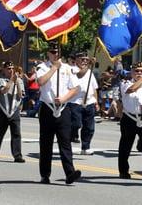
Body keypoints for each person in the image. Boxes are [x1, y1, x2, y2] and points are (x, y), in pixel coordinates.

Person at [36, 40, 82, 184]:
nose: (55, 55)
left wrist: (63, 98)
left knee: (65, 142)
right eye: (53, 52)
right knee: (46, 144)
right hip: (47, 109)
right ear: (48, 53)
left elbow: (75, 88)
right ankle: (45, 174)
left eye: (57, 52)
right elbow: (41, 81)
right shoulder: (42, 67)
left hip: (63, 108)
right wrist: (54, 68)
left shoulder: (67, 68)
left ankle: (70, 173)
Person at [0, 61, 26, 163]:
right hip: (2, 110)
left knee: (16, 134)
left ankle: (17, 155)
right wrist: (11, 81)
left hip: (14, 110)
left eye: (12, 68)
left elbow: (20, 95)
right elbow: (3, 91)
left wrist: (17, 82)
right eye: (8, 68)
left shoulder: (19, 80)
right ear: (4, 70)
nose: (10, 70)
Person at [68, 52, 99, 155]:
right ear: (76, 60)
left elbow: (94, 88)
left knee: (89, 127)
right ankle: (72, 136)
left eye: (86, 59)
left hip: (89, 102)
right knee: (76, 124)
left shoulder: (90, 72)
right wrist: (90, 64)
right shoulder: (71, 69)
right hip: (75, 102)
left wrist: (96, 102)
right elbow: (80, 75)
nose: (85, 61)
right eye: (82, 59)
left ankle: (85, 147)